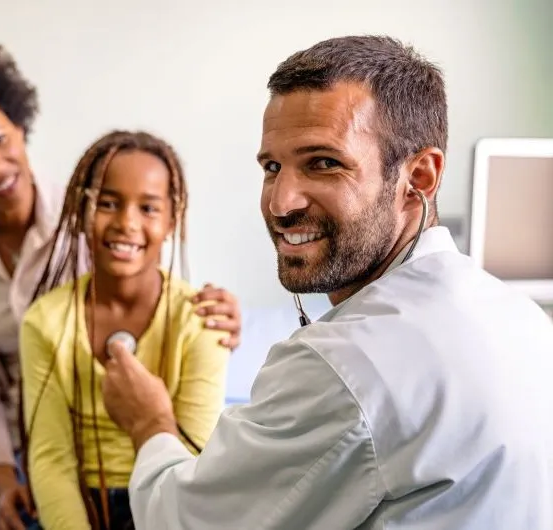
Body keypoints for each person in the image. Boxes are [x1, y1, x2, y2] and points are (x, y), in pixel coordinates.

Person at [101, 35, 553, 529]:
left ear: (419, 177)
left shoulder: (346, 365)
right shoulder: (523, 319)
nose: (281, 202)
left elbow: (180, 520)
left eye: (324, 163)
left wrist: (148, 423)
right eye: (272, 167)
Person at [0, 29, 242, 530]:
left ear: (19, 125)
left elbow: (154, 289)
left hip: (83, 432)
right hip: (11, 437)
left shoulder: (97, 210)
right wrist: (2, 480)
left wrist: (222, 314)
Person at [19, 130, 231, 530]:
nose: (126, 223)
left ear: (172, 219)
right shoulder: (44, 322)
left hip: (167, 500)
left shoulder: (201, 320)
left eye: (148, 208)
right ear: (81, 211)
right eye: (108, 203)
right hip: (77, 505)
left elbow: (192, 457)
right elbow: (51, 459)